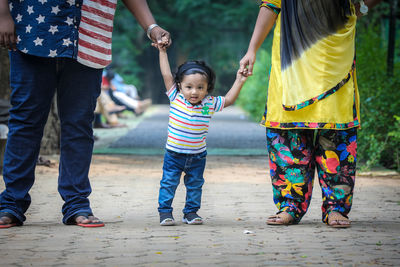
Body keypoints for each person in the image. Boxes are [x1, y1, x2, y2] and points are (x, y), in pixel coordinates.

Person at [0, 0, 170, 228]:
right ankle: (12, 202)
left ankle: (76, 203)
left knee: (79, 123)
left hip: (89, 36)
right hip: (33, 29)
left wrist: (151, 27)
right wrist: (2, 13)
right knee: (25, 120)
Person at [239, 0, 382, 228]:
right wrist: (252, 49)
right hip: (291, 62)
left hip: (334, 59)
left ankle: (336, 208)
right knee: (288, 138)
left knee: (336, 138)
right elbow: (270, 5)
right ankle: (290, 206)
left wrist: (359, 6)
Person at [153, 39, 248, 226]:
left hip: (197, 156)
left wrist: (240, 80)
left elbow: (228, 99)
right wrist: (162, 52)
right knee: (168, 184)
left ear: (207, 88)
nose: (194, 92)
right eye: (189, 87)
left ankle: (191, 213)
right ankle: (165, 213)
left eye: (200, 87)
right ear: (180, 86)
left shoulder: (209, 104)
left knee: (195, 186)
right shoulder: (176, 97)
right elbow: (166, 73)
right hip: (173, 154)